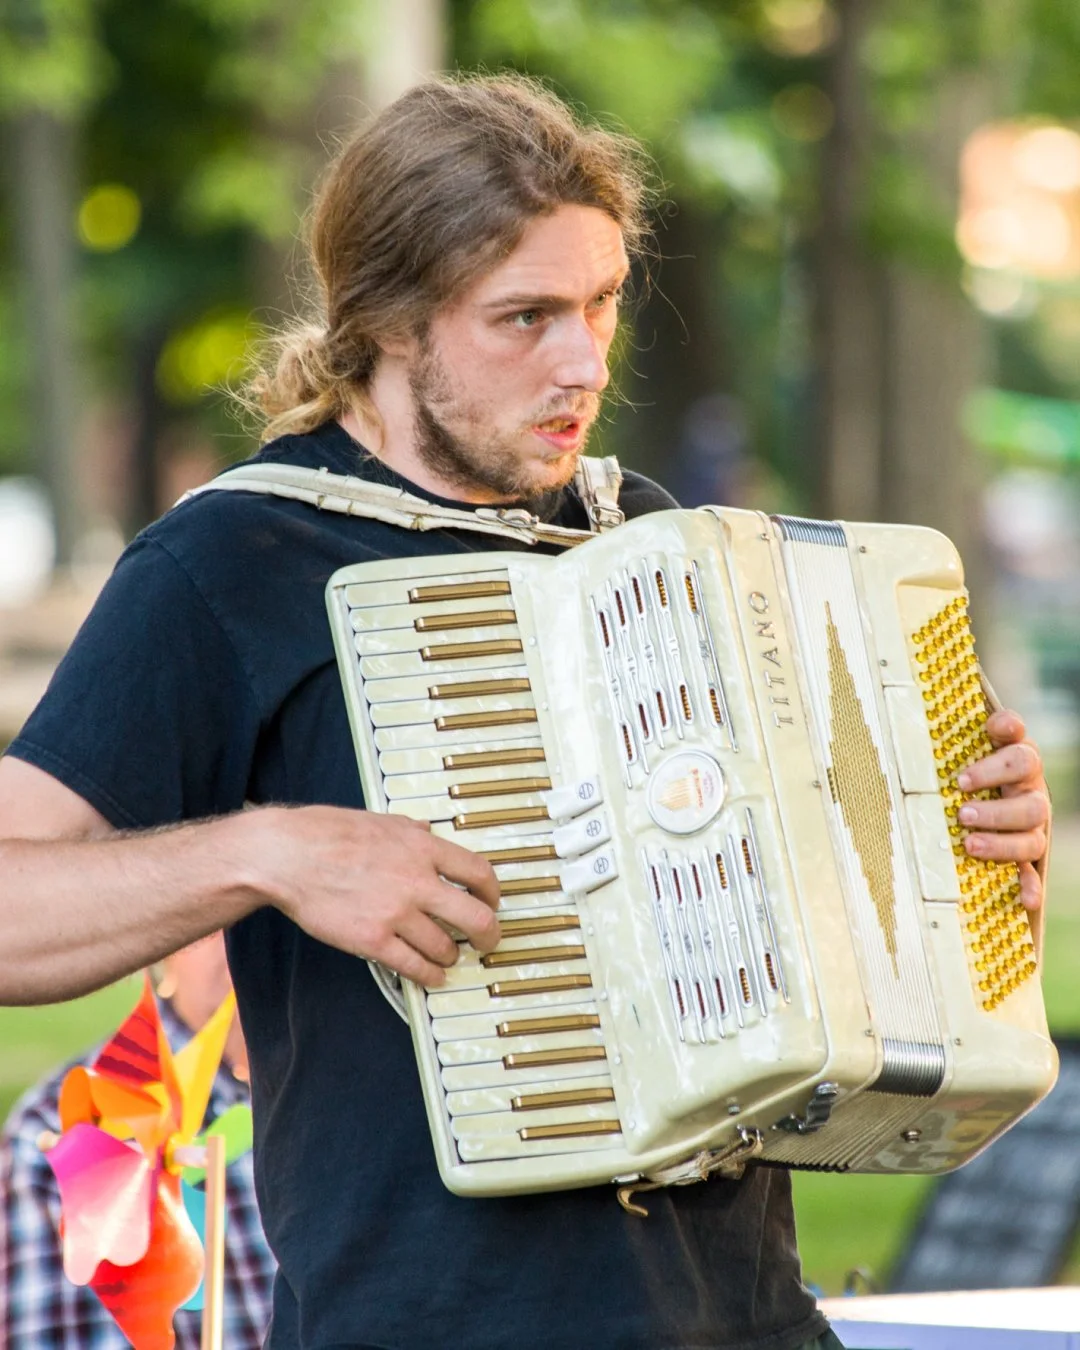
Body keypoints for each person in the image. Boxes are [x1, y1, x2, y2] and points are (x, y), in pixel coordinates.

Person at [0, 73, 1050, 1350]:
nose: (583, 362)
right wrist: (267, 852)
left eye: (601, 302)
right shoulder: (231, 563)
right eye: (526, 317)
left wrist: (961, 859)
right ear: (389, 321)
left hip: (749, 1317)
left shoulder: (654, 541)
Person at [0, 934, 275, 1348]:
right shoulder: (64, 1139)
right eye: (223, 915)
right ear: (161, 940)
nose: (250, 944)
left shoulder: (384, 1099)